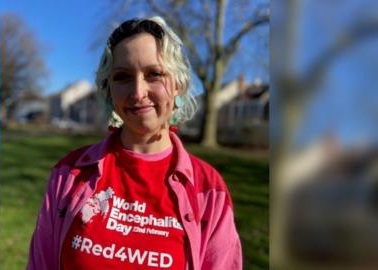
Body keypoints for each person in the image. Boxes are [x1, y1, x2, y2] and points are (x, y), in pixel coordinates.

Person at [27, 16, 242, 270]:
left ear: (179, 86)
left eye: (154, 74)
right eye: (123, 77)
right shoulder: (69, 173)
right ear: (109, 89)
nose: (138, 92)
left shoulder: (208, 189)